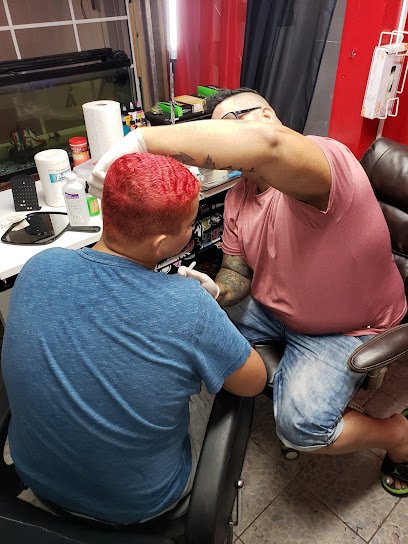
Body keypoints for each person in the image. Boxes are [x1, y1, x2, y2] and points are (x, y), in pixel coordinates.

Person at [88, 88, 408, 497]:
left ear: (270, 117)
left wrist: (142, 140)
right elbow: (236, 270)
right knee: (188, 313)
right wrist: (216, 291)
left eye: (237, 121)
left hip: (344, 328)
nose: (233, 135)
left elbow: (268, 145)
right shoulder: (239, 196)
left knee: (302, 427)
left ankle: (397, 434)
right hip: (275, 305)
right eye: (222, 127)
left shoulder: (326, 167)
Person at [1, 152, 267, 525]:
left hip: (38, 478)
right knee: (219, 381)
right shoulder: (187, 306)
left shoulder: (40, 266)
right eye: (190, 224)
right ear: (160, 245)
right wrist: (210, 320)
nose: (192, 231)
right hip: (139, 504)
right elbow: (254, 382)